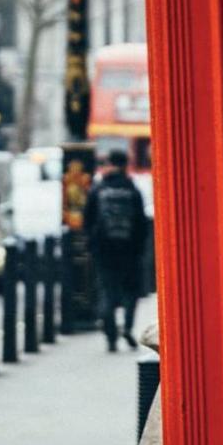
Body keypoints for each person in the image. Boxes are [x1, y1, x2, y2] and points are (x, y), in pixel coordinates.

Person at [83, 149, 149, 352]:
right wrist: (139, 248)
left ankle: (111, 335)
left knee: (107, 292)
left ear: (111, 164)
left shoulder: (98, 190)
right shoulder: (133, 190)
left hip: (104, 251)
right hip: (129, 251)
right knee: (131, 292)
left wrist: (93, 245)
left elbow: (88, 221)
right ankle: (128, 327)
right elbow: (141, 223)